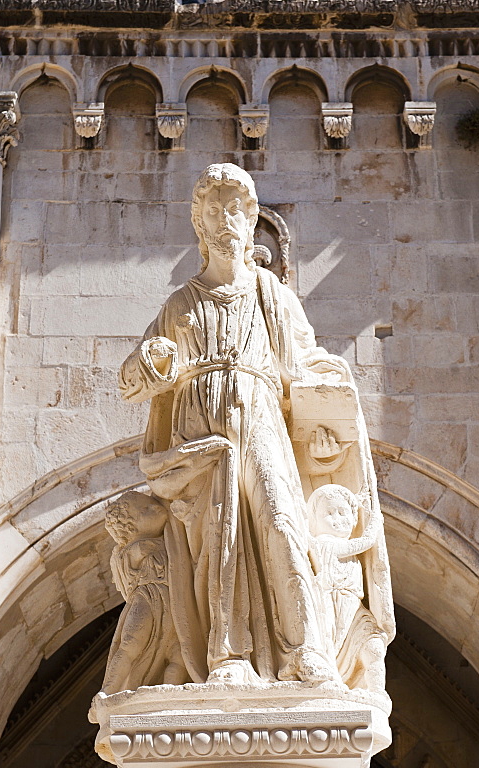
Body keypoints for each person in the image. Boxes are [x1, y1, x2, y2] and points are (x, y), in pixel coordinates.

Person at [119, 163, 394, 686]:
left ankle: (305, 650)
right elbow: (133, 379)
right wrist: (150, 362)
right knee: (217, 540)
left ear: (251, 224)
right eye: (214, 211)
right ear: (199, 226)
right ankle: (229, 657)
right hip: (199, 432)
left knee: (282, 521)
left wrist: (330, 410)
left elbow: (305, 362)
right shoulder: (181, 304)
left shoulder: (271, 294)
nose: (226, 220)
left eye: (236, 210)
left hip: (260, 414)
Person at [101, 490, 185, 694]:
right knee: (130, 643)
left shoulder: (169, 541)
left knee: (180, 653)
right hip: (147, 600)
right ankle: (108, 690)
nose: (157, 507)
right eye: (146, 509)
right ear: (131, 527)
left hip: (177, 603)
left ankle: (169, 692)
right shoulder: (134, 550)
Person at [307, 484, 388, 691]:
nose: (336, 518)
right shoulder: (324, 542)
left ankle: (377, 692)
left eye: (343, 512)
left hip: (353, 610)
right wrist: (375, 522)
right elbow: (363, 543)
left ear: (353, 519)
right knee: (329, 652)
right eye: (329, 513)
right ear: (314, 520)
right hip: (331, 607)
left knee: (374, 646)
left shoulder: (338, 542)